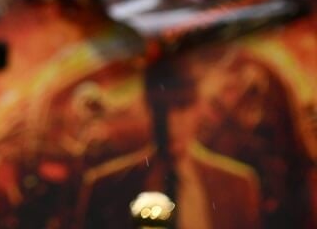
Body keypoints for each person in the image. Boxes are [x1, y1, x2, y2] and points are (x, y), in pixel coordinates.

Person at [76, 62, 261, 229]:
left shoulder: (238, 187)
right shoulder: (105, 187)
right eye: (160, 108)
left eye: (181, 107)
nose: (170, 122)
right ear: (148, 107)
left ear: (198, 107)